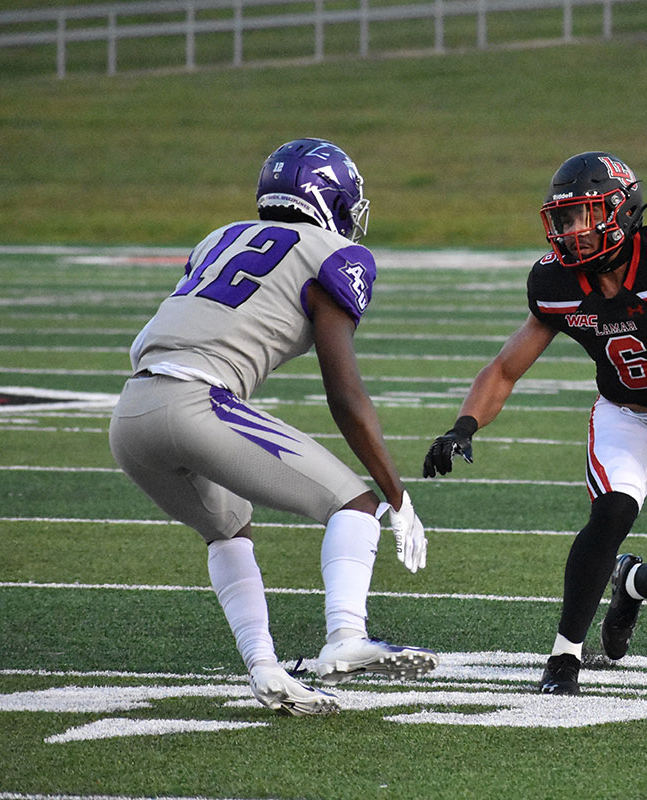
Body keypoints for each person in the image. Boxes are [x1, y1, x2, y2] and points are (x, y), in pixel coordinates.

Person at [423, 151, 647, 694]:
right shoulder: (556, 283)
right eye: (565, 219)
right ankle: (564, 658)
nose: (573, 232)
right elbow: (504, 368)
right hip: (625, 417)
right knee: (615, 507)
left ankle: (631, 582)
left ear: (622, 211)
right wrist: (464, 425)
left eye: (586, 215)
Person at [110, 138, 438, 716]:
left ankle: (265, 669)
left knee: (229, 529)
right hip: (198, 402)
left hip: (131, 412)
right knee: (354, 504)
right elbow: (344, 393)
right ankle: (346, 635)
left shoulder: (218, 237)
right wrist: (396, 493)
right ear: (330, 198)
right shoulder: (335, 255)